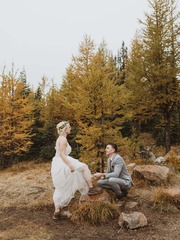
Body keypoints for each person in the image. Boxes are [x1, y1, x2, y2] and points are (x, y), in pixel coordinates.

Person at [51, 121, 102, 220]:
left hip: (58, 162)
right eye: (69, 127)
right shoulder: (63, 140)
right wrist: (69, 165)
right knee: (84, 167)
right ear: (65, 129)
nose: (70, 129)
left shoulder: (61, 138)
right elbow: (62, 154)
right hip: (63, 162)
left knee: (61, 186)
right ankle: (91, 188)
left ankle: (57, 211)